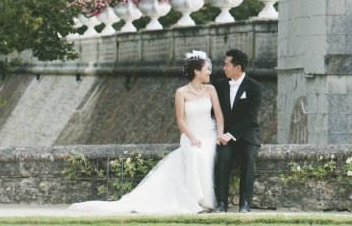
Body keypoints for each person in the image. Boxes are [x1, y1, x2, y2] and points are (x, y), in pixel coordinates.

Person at [70, 50, 226, 215]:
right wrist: (193, 138)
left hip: (209, 135)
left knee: (202, 155)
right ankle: (196, 203)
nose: (210, 72)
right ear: (197, 71)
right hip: (190, 135)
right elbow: (180, 121)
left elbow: (219, 115)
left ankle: (205, 201)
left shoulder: (210, 90)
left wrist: (220, 134)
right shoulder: (181, 93)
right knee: (194, 154)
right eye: (207, 69)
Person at [212, 47, 262, 213]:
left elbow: (250, 117)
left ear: (238, 68)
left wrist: (231, 135)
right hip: (226, 134)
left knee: (248, 158)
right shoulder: (219, 85)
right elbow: (215, 112)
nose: (223, 68)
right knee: (223, 158)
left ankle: (245, 204)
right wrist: (221, 134)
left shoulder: (254, 87)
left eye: (227, 65)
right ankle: (221, 203)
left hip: (247, 134)